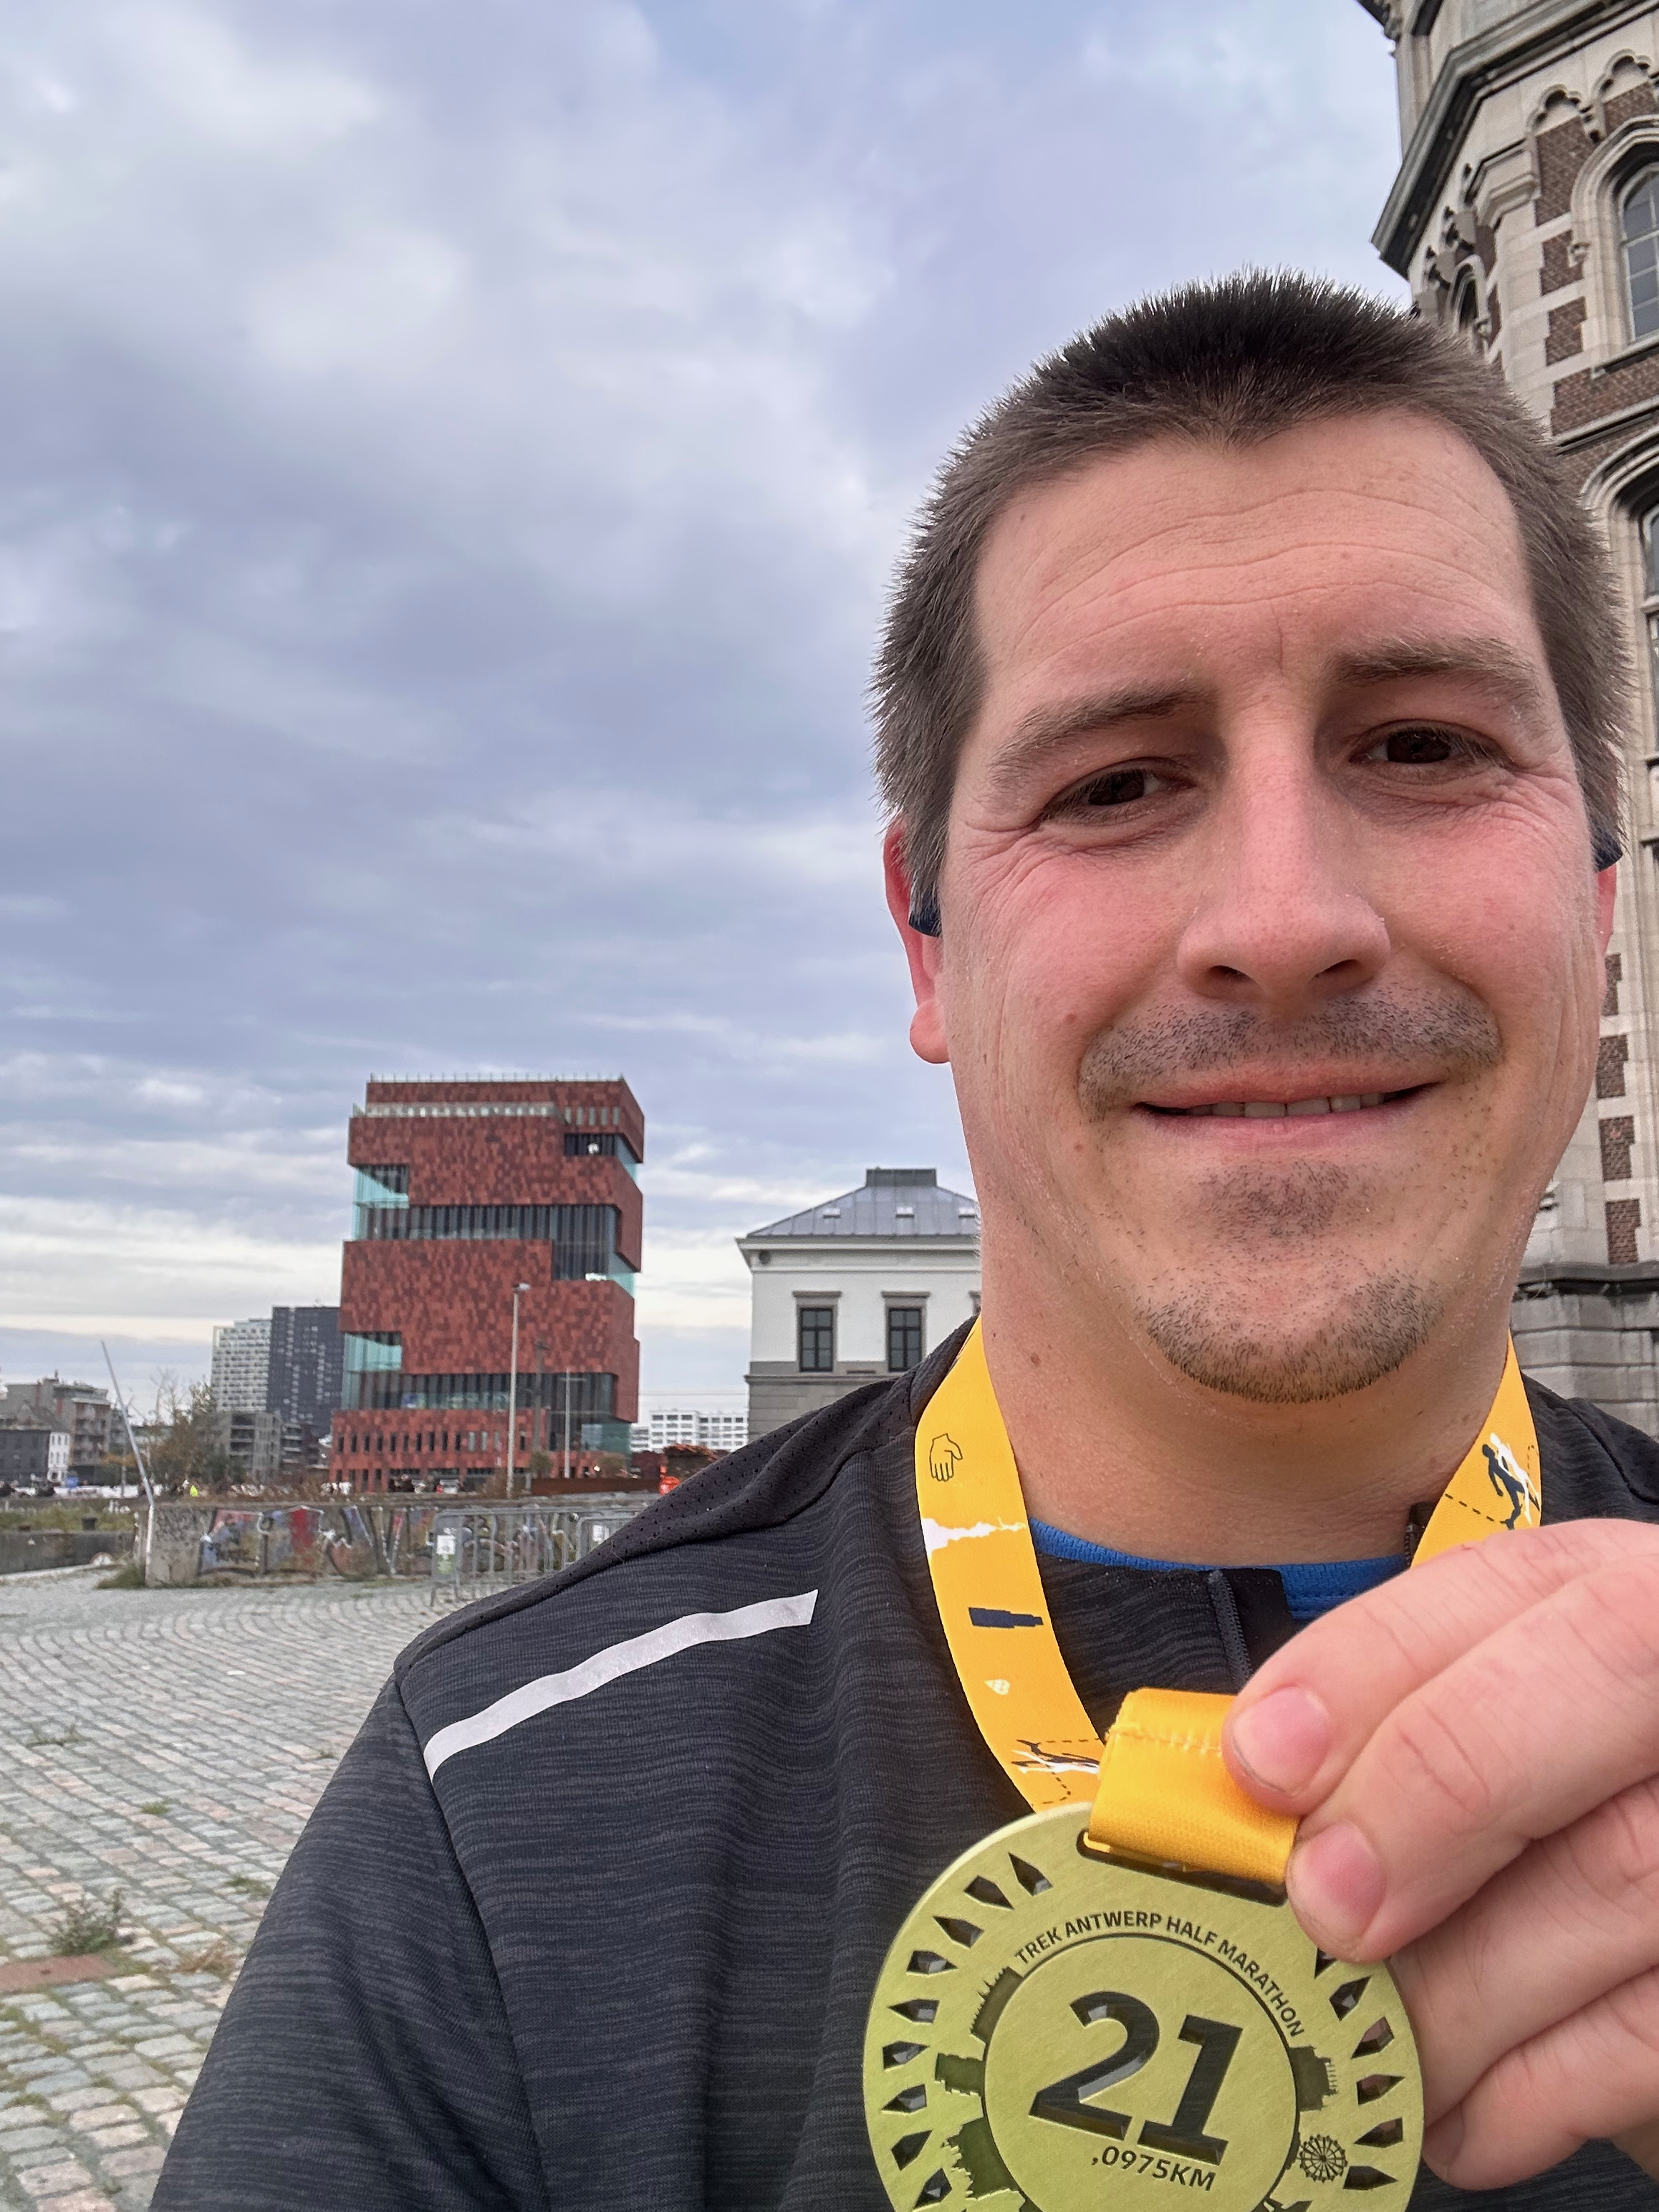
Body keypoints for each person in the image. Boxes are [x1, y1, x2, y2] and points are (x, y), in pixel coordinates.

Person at [154, 275, 1659, 2210]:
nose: (1283, 920)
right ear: (925, 942)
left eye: (1424, 747)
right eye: (1116, 783)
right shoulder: (506, 1798)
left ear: (1594, 891)